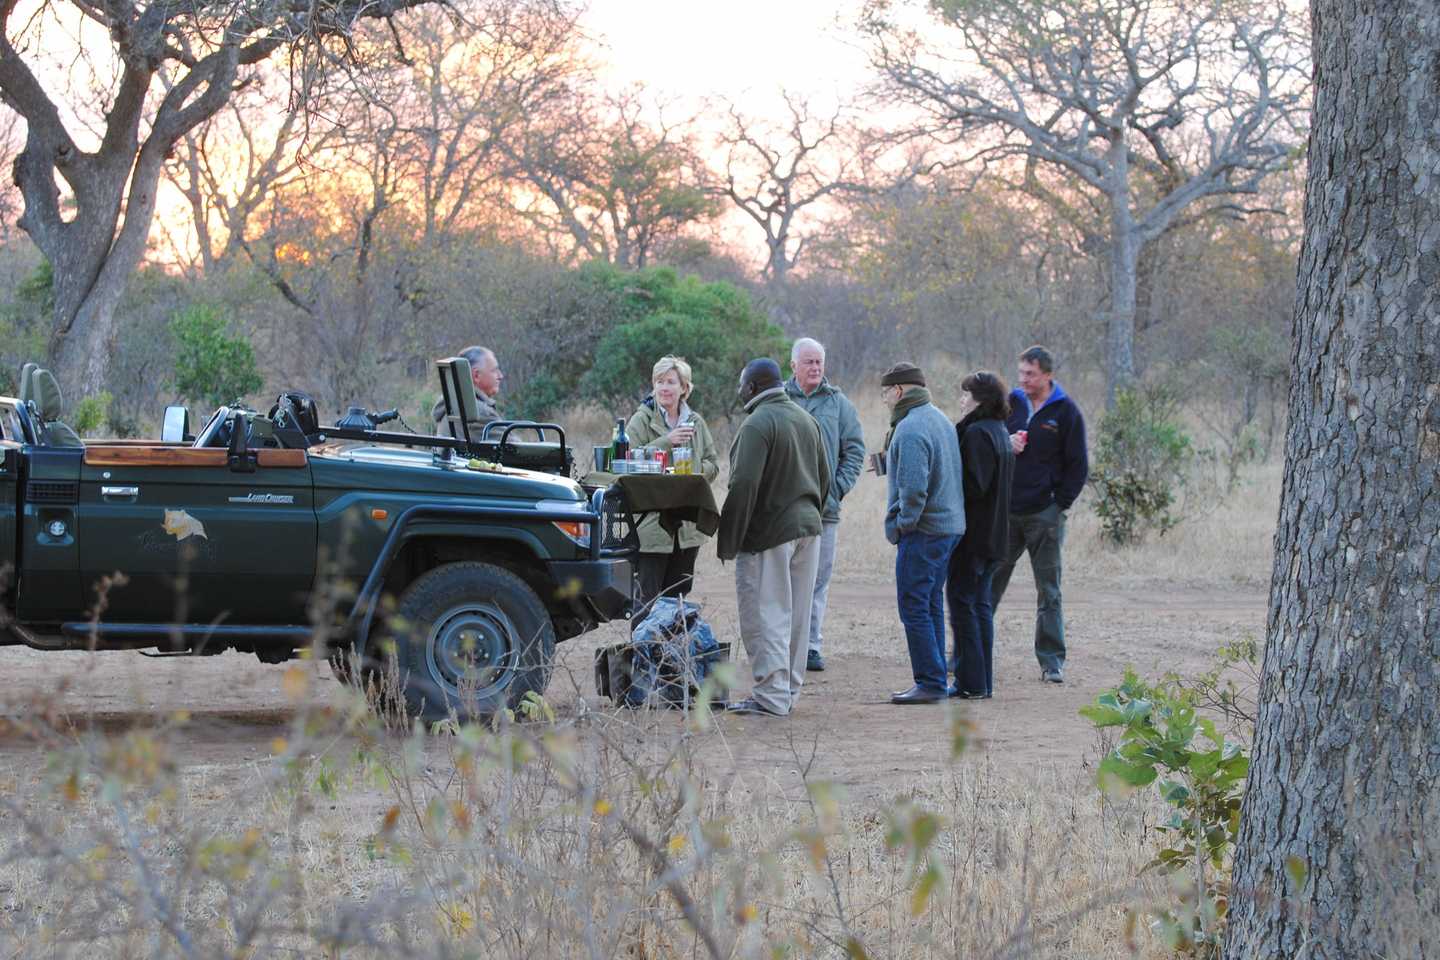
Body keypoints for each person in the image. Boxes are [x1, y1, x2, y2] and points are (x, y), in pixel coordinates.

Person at [717, 358, 832, 717]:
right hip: (809, 530)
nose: (739, 392)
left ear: (752, 388)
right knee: (797, 614)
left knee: (766, 614)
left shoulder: (757, 423)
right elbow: (824, 477)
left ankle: (770, 695)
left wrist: (730, 537)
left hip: (769, 534)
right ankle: (788, 691)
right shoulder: (805, 419)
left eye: (741, 385)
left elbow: (744, 484)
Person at [992, 345, 1089, 684]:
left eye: (1030, 374)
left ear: (1047, 374)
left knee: (1049, 591)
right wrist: (1008, 442)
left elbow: (1079, 466)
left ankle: (1051, 662)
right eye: (1021, 373)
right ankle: (966, 653)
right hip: (1007, 514)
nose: (1023, 380)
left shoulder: (1066, 412)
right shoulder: (1012, 404)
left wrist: (1057, 506)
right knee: (988, 584)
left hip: (1044, 516)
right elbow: (988, 438)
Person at [879, 362, 967, 704]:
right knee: (929, 602)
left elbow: (914, 489)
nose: (885, 399)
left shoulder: (911, 427)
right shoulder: (939, 418)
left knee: (913, 604)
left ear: (900, 391)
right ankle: (934, 677)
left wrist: (903, 524)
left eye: (887, 392)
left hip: (925, 530)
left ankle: (930, 682)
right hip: (947, 529)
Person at [783, 337, 865, 673]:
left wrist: (836, 490)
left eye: (819, 362)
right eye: (809, 362)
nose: (815, 368)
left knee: (817, 579)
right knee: (783, 579)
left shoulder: (838, 403)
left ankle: (811, 647)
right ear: (793, 366)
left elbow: (855, 450)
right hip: (784, 510)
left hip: (824, 511)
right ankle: (783, 645)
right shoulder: (780, 400)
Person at [623, 356, 720, 621]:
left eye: (670, 382)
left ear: (684, 388)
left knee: (678, 597)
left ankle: (671, 658)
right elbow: (627, 461)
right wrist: (667, 441)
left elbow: (714, 463)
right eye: (659, 382)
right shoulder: (641, 420)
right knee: (646, 600)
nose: (664, 388)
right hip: (651, 526)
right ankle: (644, 659)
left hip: (687, 528)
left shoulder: (696, 422)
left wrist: (695, 476)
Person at [945, 371, 1015, 700]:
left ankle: (970, 683)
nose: (962, 400)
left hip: (974, 536)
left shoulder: (976, 433)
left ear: (981, 401)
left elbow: (974, 485)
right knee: (980, 606)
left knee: (963, 605)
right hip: (995, 535)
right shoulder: (999, 430)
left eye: (967, 394)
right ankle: (981, 681)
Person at [432, 345, 504, 434]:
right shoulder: (477, 413)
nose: (500, 376)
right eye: (494, 370)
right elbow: (516, 446)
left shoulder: (452, 404)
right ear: (476, 375)